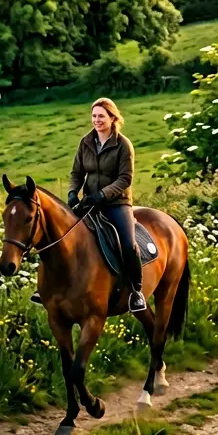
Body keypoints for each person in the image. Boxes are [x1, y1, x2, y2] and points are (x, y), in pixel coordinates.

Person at [45, 97, 145, 313]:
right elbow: (76, 172)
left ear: (112, 118)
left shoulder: (123, 145)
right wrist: (73, 192)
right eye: (94, 116)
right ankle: (54, 287)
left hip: (117, 203)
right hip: (89, 202)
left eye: (101, 116)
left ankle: (136, 291)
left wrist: (102, 194)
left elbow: (125, 178)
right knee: (61, 236)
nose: (97, 120)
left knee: (128, 245)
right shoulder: (86, 142)